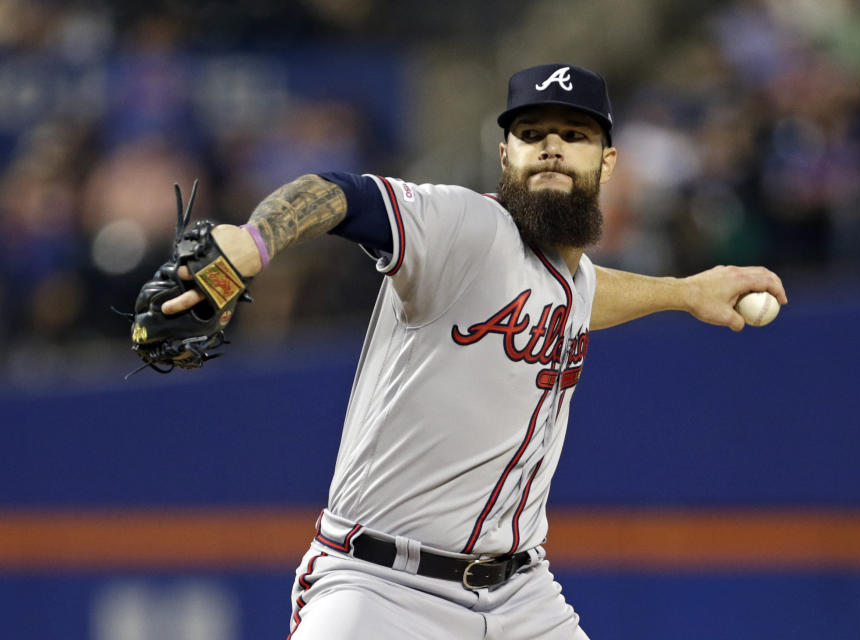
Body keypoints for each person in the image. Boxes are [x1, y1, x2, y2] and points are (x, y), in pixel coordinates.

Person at [161, 63, 787, 639]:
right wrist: (253, 242)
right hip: (382, 586)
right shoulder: (463, 227)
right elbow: (341, 194)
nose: (551, 146)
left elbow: (589, 294)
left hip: (521, 598)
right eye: (532, 131)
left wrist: (685, 291)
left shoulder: (570, 275)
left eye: (575, 134)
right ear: (504, 153)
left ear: (608, 160)